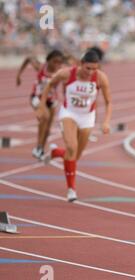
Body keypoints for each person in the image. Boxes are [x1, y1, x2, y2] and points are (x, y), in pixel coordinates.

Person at [37, 50, 112, 202]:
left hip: (87, 117)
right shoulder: (66, 74)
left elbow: (109, 102)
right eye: (88, 68)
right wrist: (41, 106)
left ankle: (56, 152)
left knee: (75, 156)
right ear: (81, 64)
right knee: (71, 147)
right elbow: (50, 84)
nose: (90, 72)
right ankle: (71, 189)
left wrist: (106, 121)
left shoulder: (101, 78)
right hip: (69, 113)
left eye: (94, 69)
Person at [16, 50, 65, 159]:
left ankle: (40, 149)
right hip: (37, 98)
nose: (56, 65)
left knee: (48, 128)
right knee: (45, 117)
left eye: (59, 62)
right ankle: (38, 147)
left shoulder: (61, 72)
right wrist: (18, 75)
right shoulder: (41, 67)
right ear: (48, 60)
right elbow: (29, 57)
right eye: (54, 62)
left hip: (52, 100)